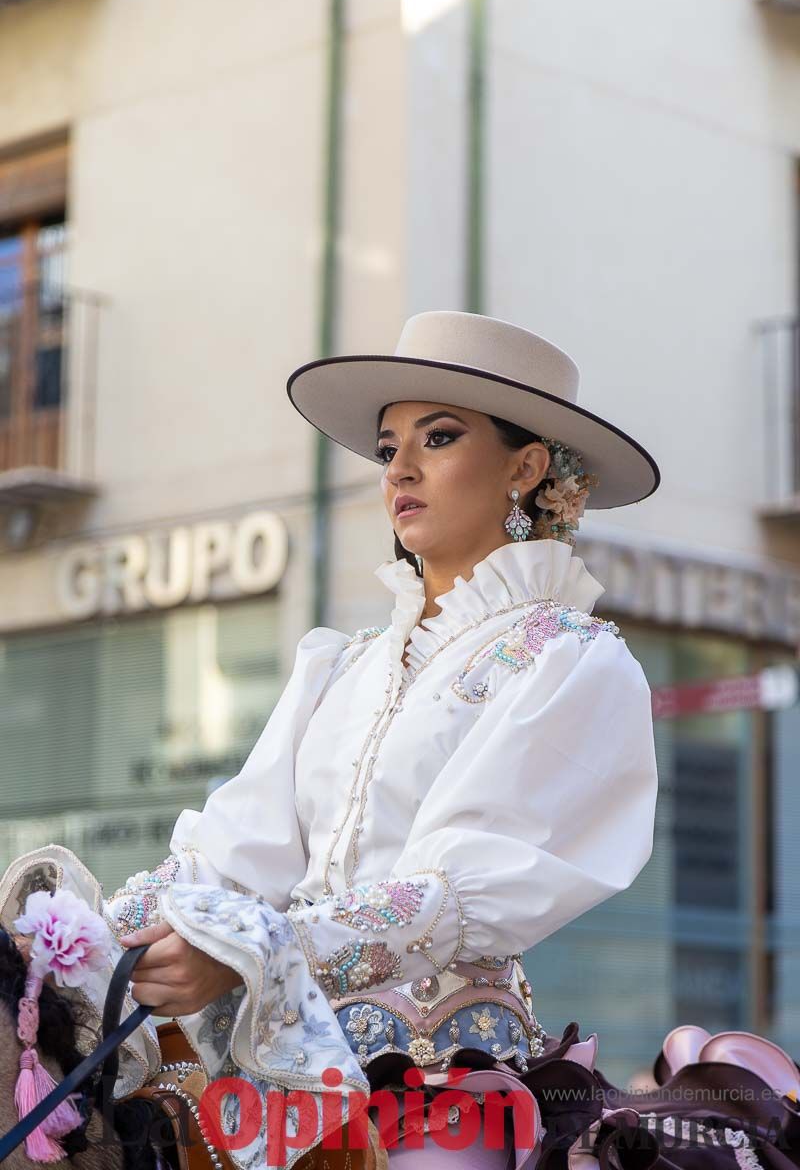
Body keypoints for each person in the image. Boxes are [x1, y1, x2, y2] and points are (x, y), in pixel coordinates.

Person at [2, 311, 798, 1170]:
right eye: (388, 449)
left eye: (440, 437)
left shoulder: (573, 660)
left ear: (526, 468)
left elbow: (450, 891)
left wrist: (244, 951)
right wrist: (67, 939)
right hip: (268, 1078)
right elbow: (231, 856)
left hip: (444, 1086)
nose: (401, 470)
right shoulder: (340, 667)